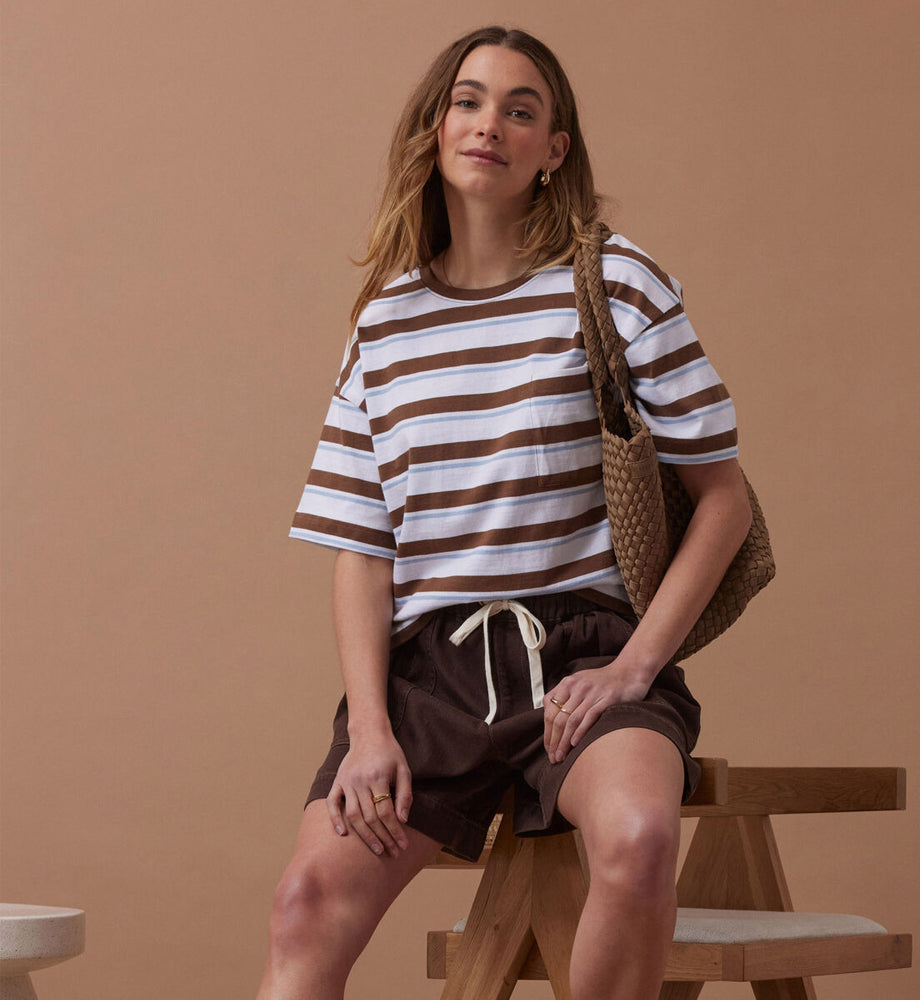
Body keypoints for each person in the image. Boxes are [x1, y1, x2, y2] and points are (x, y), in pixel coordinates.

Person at [257, 25, 752, 1000]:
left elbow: (723, 501)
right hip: (429, 677)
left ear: (552, 150)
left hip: (582, 649)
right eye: (469, 101)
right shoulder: (385, 323)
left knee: (641, 838)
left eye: (521, 110)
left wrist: (633, 667)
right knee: (305, 903)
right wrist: (371, 728)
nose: (490, 124)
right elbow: (362, 548)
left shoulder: (614, 283)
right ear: (435, 128)